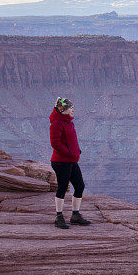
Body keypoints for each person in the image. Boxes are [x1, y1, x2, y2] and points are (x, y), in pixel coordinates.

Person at [49, 97, 91, 229]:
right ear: (63, 110)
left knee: (80, 186)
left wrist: (77, 150)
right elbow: (55, 143)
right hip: (61, 161)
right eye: (70, 108)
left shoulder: (69, 122)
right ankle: (59, 217)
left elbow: (71, 140)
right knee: (62, 188)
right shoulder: (56, 123)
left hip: (71, 160)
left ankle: (75, 215)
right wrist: (69, 152)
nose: (73, 110)